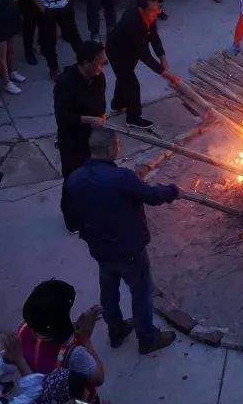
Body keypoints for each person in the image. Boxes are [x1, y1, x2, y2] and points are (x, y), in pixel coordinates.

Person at [65, 128, 179, 355]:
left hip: (99, 249)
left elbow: (72, 214)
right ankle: (147, 337)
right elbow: (152, 196)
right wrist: (172, 190)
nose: (120, 146)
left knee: (108, 291)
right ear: (109, 149)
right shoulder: (121, 178)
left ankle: (115, 331)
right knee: (141, 292)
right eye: (118, 143)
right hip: (128, 249)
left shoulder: (74, 178)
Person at [17, 279, 105, 395]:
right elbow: (98, 378)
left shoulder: (23, 328)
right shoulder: (75, 354)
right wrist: (85, 339)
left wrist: (73, 327)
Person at [53, 41, 107, 231]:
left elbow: (101, 105)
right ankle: (72, 220)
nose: (103, 64)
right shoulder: (65, 83)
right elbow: (63, 117)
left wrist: (100, 118)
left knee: (94, 176)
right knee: (73, 179)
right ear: (85, 63)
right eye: (100, 62)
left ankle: (91, 208)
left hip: (93, 138)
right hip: (72, 140)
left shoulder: (99, 78)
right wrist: (88, 119)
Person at [106, 0, 181, 129]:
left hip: (131, 51)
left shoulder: (149, 16)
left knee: (124, 78)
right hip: (117, 52)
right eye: (153, 10)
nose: (156, 13)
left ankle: (118, 104)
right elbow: (145, 56)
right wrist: (167, 74)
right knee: (131, 84)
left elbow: (154, 37)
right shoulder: (132, 23)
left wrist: (162, 57)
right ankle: (133, 118)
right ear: (142, 10)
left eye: (158, 9)